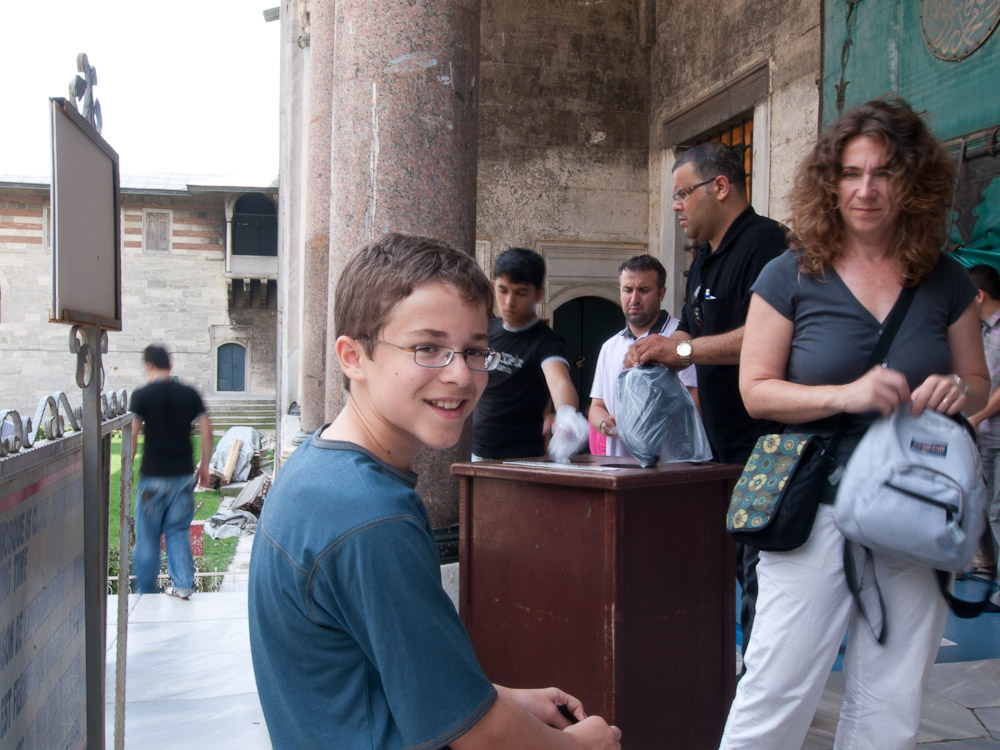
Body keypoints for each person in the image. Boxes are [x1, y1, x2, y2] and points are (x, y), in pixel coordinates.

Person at [248, 233, 621, 750]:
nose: (460, 375)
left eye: (474, 351)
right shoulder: (372, 518)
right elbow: (475, 736)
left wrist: (498, 699)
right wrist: (580, 745)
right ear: (353, 357)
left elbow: (381, 669)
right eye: (427, 348)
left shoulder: (318, 466)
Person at [719, 97, 989, 749]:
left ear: (913, 181)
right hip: (815, 504)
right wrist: (847, 394)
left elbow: (978, 384)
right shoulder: (790, 274)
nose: (866, 189)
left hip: (914, 505)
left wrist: (958, 390)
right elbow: (756, 392)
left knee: (890, 705)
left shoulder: (946, 280)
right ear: (830, 182)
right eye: (851, 173)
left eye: (884, 172)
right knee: (775, 692)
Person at [626, 141, 786, 657]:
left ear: (720, 187)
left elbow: (767, 338)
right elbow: (691, 340)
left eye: (682, 193)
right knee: (722, 566)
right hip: (715, 450)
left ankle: (759, 681)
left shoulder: (768, 246)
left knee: (761, 571)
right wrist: (654, 354)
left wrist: (682, 350)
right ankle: (723, 673)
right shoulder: (703, 261)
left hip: (767, 447)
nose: (676, 206)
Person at [472, 247, 582, 460]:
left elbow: (560, 381)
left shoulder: (546, 341)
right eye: (503, 290)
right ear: (493, 286)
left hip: (521, 458)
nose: (509, 301)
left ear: (538, 294)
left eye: (521, 293)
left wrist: (567, 416)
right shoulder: (487, 330)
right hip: (475, 452)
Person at [589, 254, 697, 457]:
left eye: (644, 290)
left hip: (669, 464)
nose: (634, 299)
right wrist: (605, 423)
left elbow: (694, 401)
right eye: (627, 290)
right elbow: (597, 406)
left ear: (661, 293)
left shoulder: (679, 338)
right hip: (619, 465)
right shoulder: (609, 347)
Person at [129, 344, 212, 599]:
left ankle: (146, 591)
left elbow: (132, 434)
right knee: (178, 532)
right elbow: (207, 429)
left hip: (152, 477)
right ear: (170, 365)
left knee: (148, 536)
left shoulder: (141, 395)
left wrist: (128, 467)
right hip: (183, 477)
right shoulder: (189, 393)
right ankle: (183, 585)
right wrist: (205, 466)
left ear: (148, 366)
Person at [965, 264, 1000, 606]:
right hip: (984, 436)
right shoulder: (980, 331)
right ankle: (985, 564)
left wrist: (977, 416)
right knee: (983, 503)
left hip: (994, 431)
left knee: (998, 510)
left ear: (979, 295)